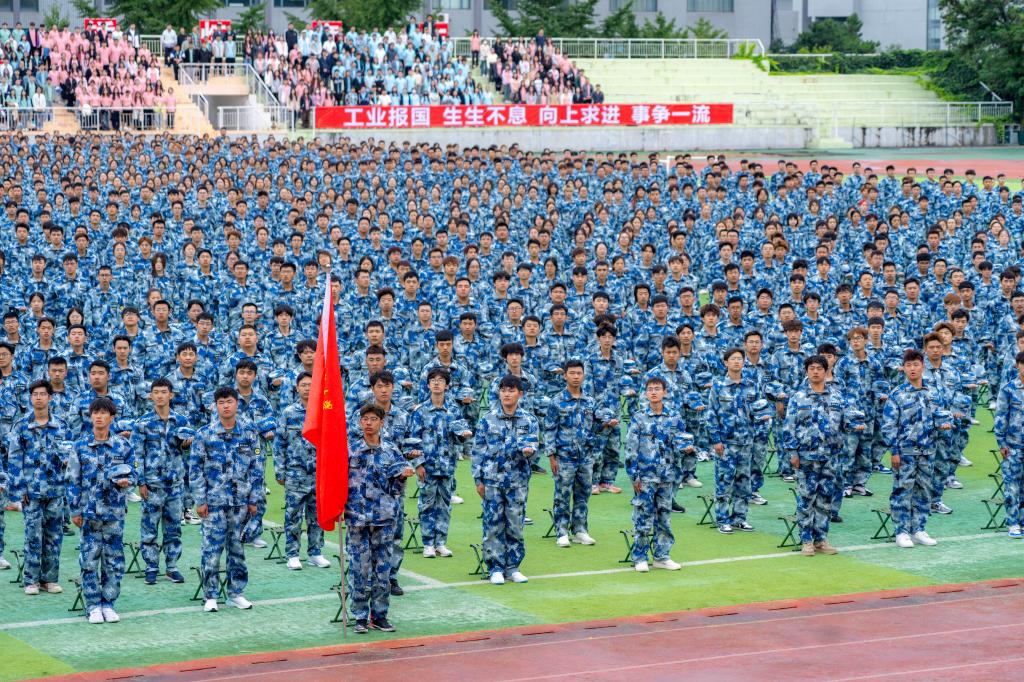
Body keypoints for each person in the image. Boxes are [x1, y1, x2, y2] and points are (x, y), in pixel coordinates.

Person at [189, 386, 264, 612]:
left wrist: (254, 499)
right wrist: (200, 500)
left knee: (237, 550)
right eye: (221, 403)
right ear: (215, 406)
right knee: (211, 551)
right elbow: (195, 469)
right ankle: (210, 595)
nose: (226, 406)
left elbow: (257, 468)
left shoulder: (249, 433)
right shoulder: (204, 434)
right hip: (214, 503)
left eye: (229, 401)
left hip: (240, 503)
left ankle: (236, 593)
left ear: (237, 404)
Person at [784, 355, 864, 556]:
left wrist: (855, 425)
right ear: (806, 371)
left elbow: (845, 422)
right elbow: (789, 426)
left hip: (830, 456)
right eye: (812, 368)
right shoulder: (798, 397)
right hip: (806, 456)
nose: (815, 372)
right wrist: (793, 452)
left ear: (826, 370)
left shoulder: (837, 397)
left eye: (819, 368)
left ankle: (821, 538)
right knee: (806, 498)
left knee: (825, 499)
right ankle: (806, 540)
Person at [346, 403, 414, 634]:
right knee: (359, 570)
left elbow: (397, 489)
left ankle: (380, 615)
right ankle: (360, 616)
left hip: (384, 519)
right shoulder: (351, 451)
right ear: (359, 422)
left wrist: (402, 477)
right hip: (357, 518)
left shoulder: (391, 451)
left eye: (373, 419)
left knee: (382, 570)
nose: (368, 423)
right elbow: (339, 482)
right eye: (365, 419)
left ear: (382, 423)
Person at [68, 397, 136, 623]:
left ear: (112, 418)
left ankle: (108, 603)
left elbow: (134, 472)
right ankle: (93, 605)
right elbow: (73, 480)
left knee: (114, 561)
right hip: (89, 513)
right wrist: (74, 510)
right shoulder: (80, 446)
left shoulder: (123, 446)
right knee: (89, 560)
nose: (98, 417)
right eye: (95, 413)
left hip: (114, 513)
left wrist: (128, 481)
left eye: (103, 413)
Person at [882, 349, 953, 548]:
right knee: (902, 491)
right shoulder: (897, 394)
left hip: (928, 451)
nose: (912, 369)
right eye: (908, 365)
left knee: (924, 491)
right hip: (905, 452)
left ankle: (918, 529)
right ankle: (902, 531)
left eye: (916, 365)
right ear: (903, 368)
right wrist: (894, 451)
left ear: (923, 367)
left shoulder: (933, 392)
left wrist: (945, 424)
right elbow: (888, 426)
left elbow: (941, 415)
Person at [472, 374, 539, 585]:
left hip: (517, 481)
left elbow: (534, 447)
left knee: (515, 524)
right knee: (493, 524)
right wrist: (478, 480)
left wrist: (529, 452)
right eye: (503, 390)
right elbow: (478, 451)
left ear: (520, 394)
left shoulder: (529, 420)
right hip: (492, 480)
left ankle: (513, 567)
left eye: (511, 390)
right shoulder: (487, 419)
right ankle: (495, 567)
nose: (507, 394)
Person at [8, 379, 72, 595]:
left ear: (50, 397)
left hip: (56, 490)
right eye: (34, 394)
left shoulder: (61, 425)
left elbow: (70, 455)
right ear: (30, 398)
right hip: (32, 492)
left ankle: (49, 579)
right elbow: (14, 459)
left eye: (42, 394)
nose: (38, 398)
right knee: (33, 535)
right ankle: (31, 580)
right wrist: (19, 490)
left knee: (54, 536)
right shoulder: (22, 426)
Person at [624, 376, 693, 572]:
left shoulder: (674, 417)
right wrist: (633, 475)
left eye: (657, 389)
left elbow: (681, 442)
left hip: (667, 476)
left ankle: (662, 556)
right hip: (645, 477)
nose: (653, 392)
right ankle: (640, 557)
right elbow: (630, 449)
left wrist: (687, 449)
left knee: (664, 518)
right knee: (643, 517)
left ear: (665, 392)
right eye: (650, 389)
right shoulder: (638, 417)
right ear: (646, 393)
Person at [130, 378, 194, 584]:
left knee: (173, 528)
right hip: (152, 485)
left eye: (163, 392)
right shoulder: (142, 423)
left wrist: (187, 445)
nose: (159, 396)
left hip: (174, 484)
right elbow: (136, 455)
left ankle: (172, 567)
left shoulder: (181, 421)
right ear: (150, 396)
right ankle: (151, 567)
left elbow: (187, 450)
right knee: (149, 529)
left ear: (171, 395)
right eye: (156, 392)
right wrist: (140, 482)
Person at [409, 367, 472, 558]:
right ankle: (428, 543)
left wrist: (464, 435)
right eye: (433, 380)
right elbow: (413, 440)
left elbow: (459, 436)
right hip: (427, 467)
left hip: (447, 465)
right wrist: (418, 463)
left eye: (441, 380)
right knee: (426, 504)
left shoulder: (453, 410)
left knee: (444, 505)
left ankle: (441, 542)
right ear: (428, 385)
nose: (437, 383)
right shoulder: (420, 411)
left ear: (447, 385)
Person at [544, 359, 607, 547]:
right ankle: (561, 532)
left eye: (579, 373)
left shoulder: (590, 401)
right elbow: (549, 429)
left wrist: (605, 425)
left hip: (585, 457)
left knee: (583, 494)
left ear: (583, 375)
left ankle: (580, 530)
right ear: (565, 375)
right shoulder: (557, 401)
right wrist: (551, 456)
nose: (576, 377)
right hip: (564, 456)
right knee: (562, 495)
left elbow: (596, 427)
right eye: (572, 373)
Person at [273, 372, 331, 570]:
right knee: (293, 516)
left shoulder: (324, 412)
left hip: (318, 474)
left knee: (317, 516)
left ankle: (315, 552)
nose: (307, 388)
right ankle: (292, 554)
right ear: (297, 388)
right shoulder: (288, 413)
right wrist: (280, 471)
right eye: (303, 385)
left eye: (310, 385)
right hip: (295, 474)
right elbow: (279, 443)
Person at [706, 348, 765, 534]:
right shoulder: (718, 386)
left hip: (746, 442)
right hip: (726, 443)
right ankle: (723, 519)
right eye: (733, 359)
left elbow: (759, 410)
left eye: (740, 359)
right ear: (726, 362)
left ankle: (740, 518)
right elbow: (711, 414)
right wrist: (716, 440)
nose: (737, 362)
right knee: (724, 481)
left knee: (744, 482)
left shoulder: (751, 385)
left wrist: (759, 430)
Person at [994, 351, 1024, 538]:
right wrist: (1001, 442)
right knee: (1012, 486)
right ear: (1017, 366)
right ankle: (1013, 522)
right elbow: (1000, 416)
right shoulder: (1009, 389)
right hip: (1013, 445)